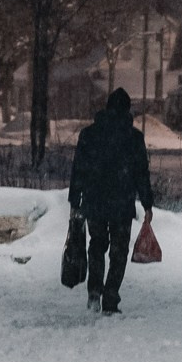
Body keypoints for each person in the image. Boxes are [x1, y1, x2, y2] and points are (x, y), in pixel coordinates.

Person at [67, 87, 153, 314]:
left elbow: (79, 170)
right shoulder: (134, 138)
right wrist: (147, 203)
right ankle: (111, 296)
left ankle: (94, 291)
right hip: (121, 203)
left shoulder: (89, 135)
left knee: (96, 245)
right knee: (119, 251)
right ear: (127, 110)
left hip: (95, 201)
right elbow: (141, 173)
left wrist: (75, 199)